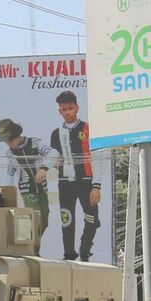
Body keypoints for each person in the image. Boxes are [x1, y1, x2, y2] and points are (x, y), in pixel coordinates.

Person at [47, 90, 101, 261]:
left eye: (70, 108)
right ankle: (69, 256)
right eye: (63, 109)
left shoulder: (88, 128)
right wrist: (45, 168)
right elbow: (54, 156)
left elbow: (98, 158)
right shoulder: (56, 133)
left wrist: (97, 186)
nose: (67, 112)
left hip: (86, 182)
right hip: (65, 184)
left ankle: (85, 251)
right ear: (59, 111)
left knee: (92, 219)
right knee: (66, 221)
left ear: (77, 107)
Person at [0, 119, 50, 240]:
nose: (8, 143)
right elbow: (10, 174)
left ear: (17, 134)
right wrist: (8, 194)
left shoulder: (35, 143)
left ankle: (31, 247)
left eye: (9, 140)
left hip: (43, 189)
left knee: (44, 222)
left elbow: (53, 153)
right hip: (27, 192)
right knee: (34, 221)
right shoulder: (9, 154)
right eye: (5, 141)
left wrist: (43, 168)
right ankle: (32, 250)